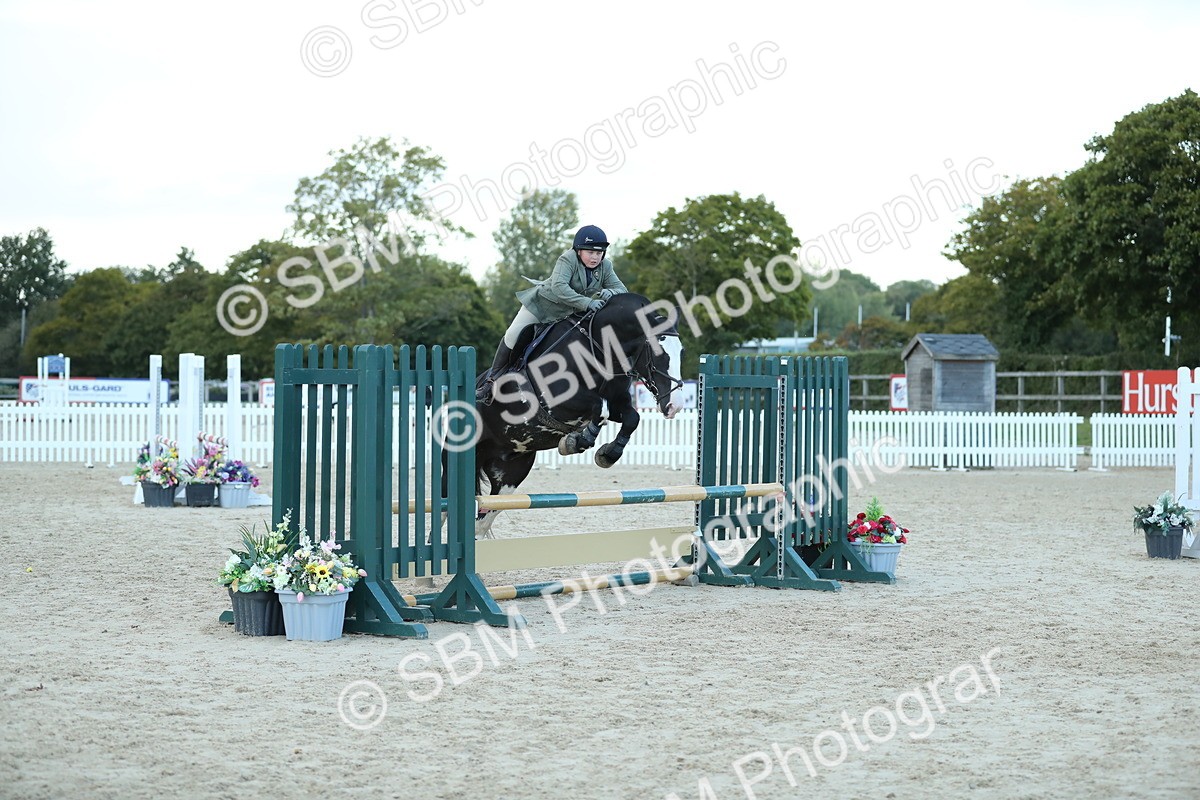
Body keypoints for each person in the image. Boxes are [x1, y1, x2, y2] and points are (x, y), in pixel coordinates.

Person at [479, 224, 628, 398]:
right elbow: (559, 288)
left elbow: (622, 290)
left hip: (568, 315)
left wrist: (611, 292)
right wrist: (587, 302)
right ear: (579, 251)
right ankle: (491, 381)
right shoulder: (567, 260)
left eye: (599, 253)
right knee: (513, 334)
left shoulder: (605, 266)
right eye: (590, 252)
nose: (595, 257)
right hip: (541, 308)